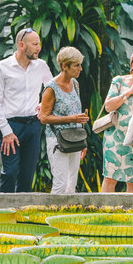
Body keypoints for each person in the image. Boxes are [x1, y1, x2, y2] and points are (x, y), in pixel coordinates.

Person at [0, 27, 52, 193]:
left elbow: (51, 88)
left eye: (39, 44)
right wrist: (7, 132)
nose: (39, 48)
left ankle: (21, 213)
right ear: (21, 45)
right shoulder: (1, 68)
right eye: (35, 44)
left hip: (33, 125)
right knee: (9, 172)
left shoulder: (41, 66)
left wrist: (43, 104)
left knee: (27, 173)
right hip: (11, 126)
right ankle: (4, 211)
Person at [40, 46, 89, 194]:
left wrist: (83, 142)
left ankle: (67, 216)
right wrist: (71, 119)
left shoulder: (75, 84)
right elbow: (44, 117)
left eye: (80, 64)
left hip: (75, 139)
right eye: (76, 65)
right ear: (64, 66)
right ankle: (54, 215)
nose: (80, 68)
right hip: (58, 140)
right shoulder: (51, 88)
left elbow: (77, 113)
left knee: (71, 185)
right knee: (60, 184)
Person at [101, 50, 133, 193]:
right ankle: (105, 212)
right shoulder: (119, 81)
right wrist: (129, 91)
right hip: (114, 136)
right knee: (110, 178)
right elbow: (108, 106)